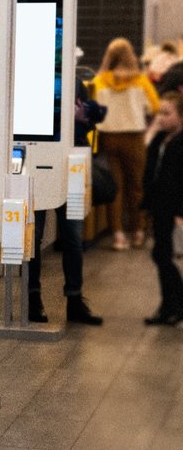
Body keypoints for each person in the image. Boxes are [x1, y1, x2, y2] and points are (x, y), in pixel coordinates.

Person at [27, 77, 104, 325]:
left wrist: (82, 118)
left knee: (73, 238)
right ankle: (32, 298)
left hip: (71, 167)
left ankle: (74, 299)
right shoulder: (29, 80)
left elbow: (92, 120)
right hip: (36, 165)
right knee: (33, 237)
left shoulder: (74, 80)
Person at [92, 38, 160, 250]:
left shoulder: (100, 80)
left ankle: (118, 236)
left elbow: (93, 109)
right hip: (134, 138)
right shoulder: (140, 80)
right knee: (136, 186)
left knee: (116, 188)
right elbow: (154, 107)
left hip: (108, 138)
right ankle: (138, 232)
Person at [140, 90, 183, 327]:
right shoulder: (160, 139)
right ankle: (170, 306)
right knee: (161, 255)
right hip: (158, 207)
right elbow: (150, 167)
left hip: (172, 209)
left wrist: (179, 213)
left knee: (163, 256)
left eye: (167, 113)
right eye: (160, 113)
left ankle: (173, 306)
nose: (161, 118)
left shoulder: (180, 143)